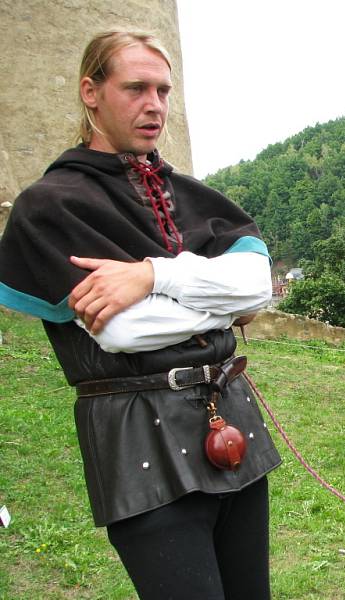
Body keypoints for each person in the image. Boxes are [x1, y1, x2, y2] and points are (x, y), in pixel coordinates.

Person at [0, 31, 281, 599]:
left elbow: (255, 287)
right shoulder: (52, 204)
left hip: (230, 415)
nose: (154, 104)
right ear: (91, 92)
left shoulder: (193, 196)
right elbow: (122, 330)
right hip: (136, 435)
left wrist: (157, 276)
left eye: (163, 90)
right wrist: (217, 303)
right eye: (135, 88)